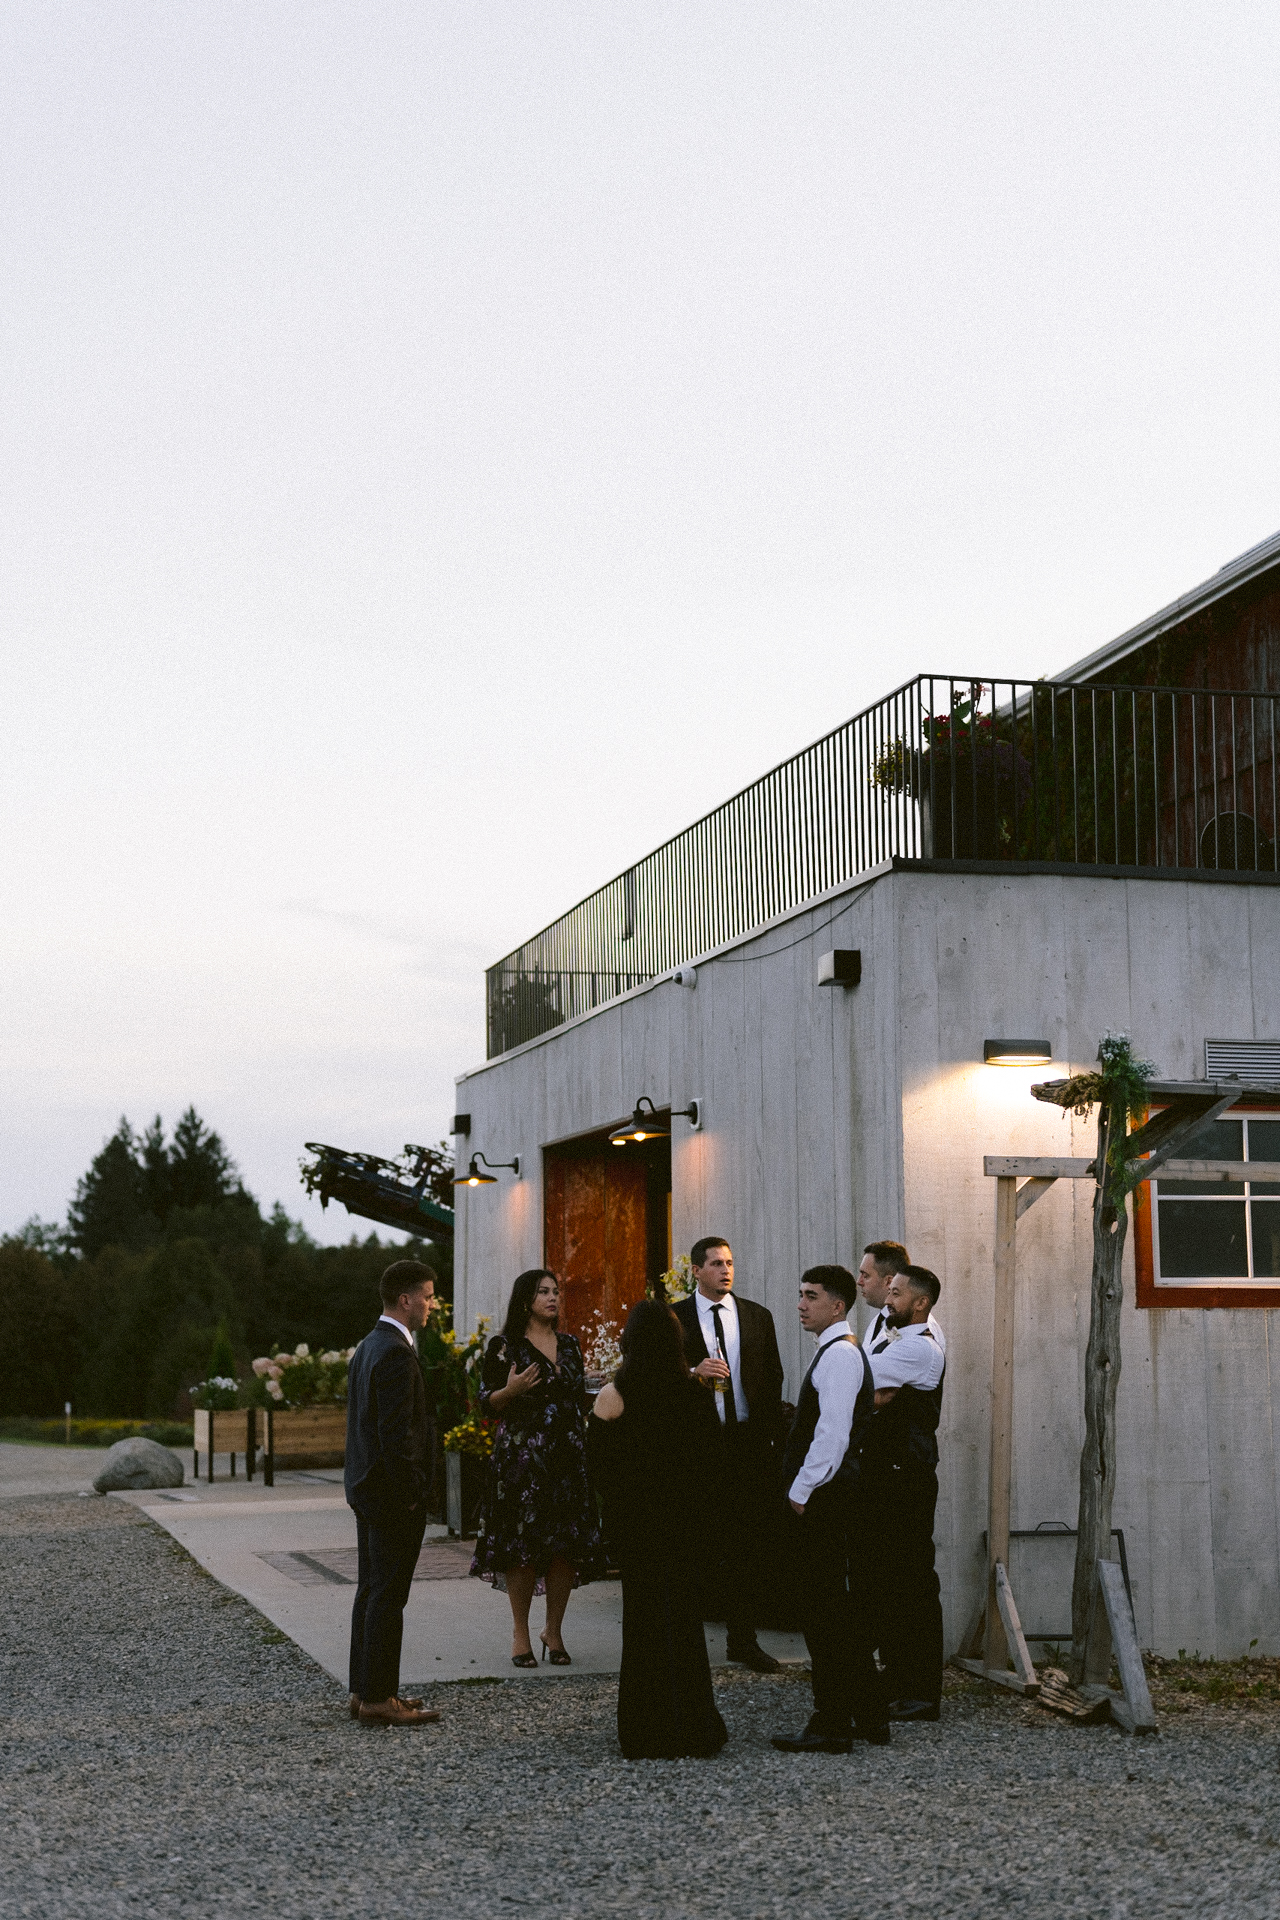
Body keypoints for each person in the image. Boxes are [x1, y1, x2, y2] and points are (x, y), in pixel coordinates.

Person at [588, 1298, 729, 1759]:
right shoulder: (694, 1394)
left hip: (639, 1528)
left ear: (629, 1340)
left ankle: (645, 1731)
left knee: (644, 1624)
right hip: (683, 1525)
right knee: (685, 1625)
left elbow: (598, 1469)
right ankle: (695, 1726)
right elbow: (711, 1467)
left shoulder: (614, 1395)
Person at [771, 1265, 888, 1755]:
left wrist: (799, 1491)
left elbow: (832, 1435)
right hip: (831, 1497)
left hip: (826, 1499)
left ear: (837, 1306)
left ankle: (833, 1722)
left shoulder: (840, 1356)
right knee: (836, 1611)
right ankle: (867, 1716)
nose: (800, 1304)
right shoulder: (835, 1352)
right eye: (799, 1294)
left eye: (811, 1296)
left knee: (825, 1614)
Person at [471, 1269, 606, 1665]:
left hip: (567, 1457)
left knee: (564, 1547)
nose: (552, 1298)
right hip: (523, 1460)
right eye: (543, 1292)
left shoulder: (570, 1344)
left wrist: (593, 1389)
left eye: (556, 1291)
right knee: (523, 1549)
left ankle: (555, 1631)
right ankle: (520, 1634)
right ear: (525, 1299)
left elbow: (574, 1399)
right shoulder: (505, 1346)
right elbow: (484, 1402)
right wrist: (509, 1391)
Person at [672, 1237, 785, 1671]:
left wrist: (769, 1440)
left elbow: (772, 1378)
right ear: (696, 1271)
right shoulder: (676, 1319)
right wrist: (691, 1372)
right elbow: (653, 1375)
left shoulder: (756, 1316)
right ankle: (687, 1647)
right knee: (696, 1543)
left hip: (746, 1444)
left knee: (746, 1545)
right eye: (716, 1263)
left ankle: (743, 1640)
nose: (726, 1270)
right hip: (698, 1445)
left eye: (730, 1263)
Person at [344, 1260, 442, 1727]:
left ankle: (364, 1690)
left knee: (370, 1591)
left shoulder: (369, 1346)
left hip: (368, 1490)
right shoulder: (395, 1354)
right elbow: (396, 1436)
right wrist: (414, 1493)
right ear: (405, 1300)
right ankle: (381, 1698)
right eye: (426, 1295)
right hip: (390, 1496)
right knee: (387, 1596)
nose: (431, 1304)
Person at [861, 1263, 946, 1722]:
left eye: (896, 1294)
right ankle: (897, 1679)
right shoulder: (895, 1334)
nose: (887, 1300)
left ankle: (921, 1693)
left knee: (912, 1583)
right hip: (887, 1474)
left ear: (921, 1303)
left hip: (907, 1477)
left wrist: (875, 1391)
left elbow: (860, 1381)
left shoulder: (919, 1349)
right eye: (888, 1290)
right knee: (890, 1581)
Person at [854, 1239, 946, 1357]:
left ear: (889, 1281)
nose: (859, 1281)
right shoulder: (881, 1320)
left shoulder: (921, 1328)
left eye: (865, 1275)